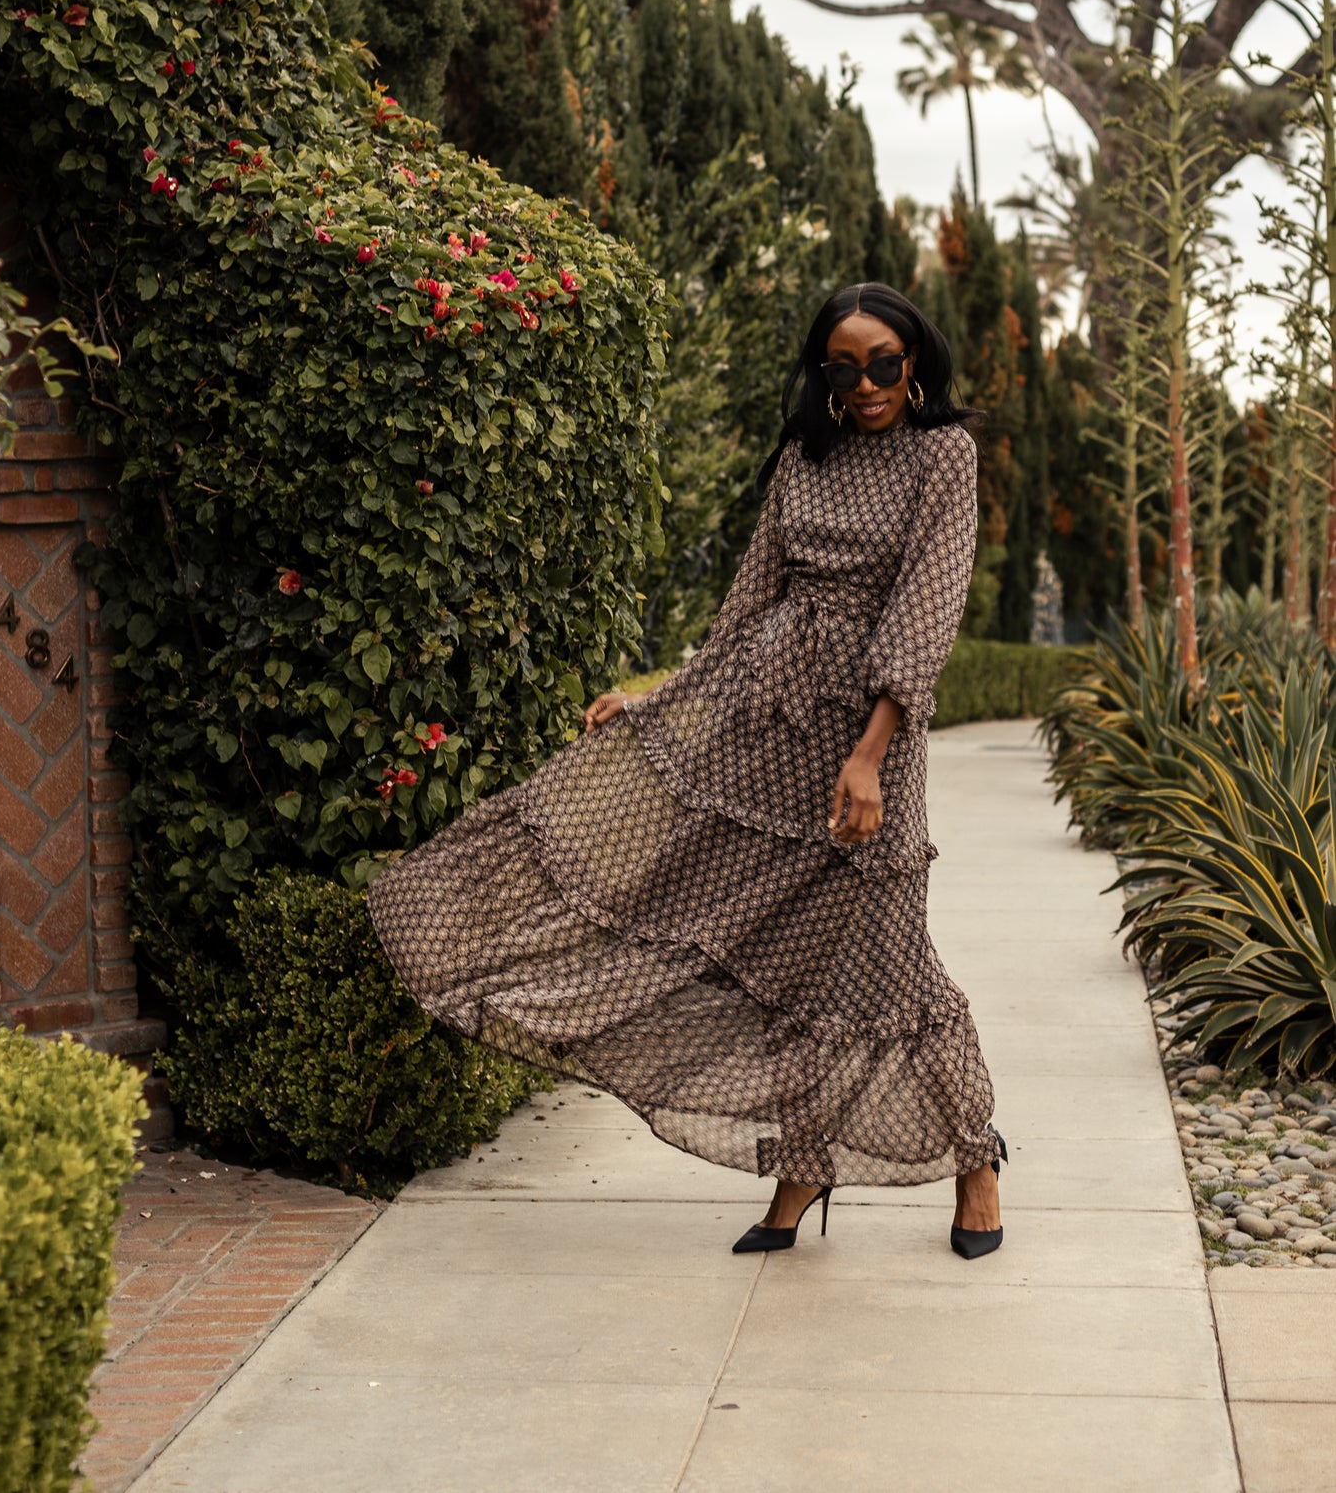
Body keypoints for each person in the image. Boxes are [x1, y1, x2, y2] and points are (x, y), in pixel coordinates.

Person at [366, 282, 1007, 1259]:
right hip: (762, 732)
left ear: (913, 360)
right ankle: (804, 1169)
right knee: (786, 964)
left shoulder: (941, 456)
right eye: (845, 365)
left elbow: (925, 611)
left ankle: (972, 1164)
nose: (868, 381)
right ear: (822, 373)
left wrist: (872, 756)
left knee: (886, 957)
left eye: (884, 361)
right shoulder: (804, 457)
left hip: (866, 745)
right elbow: (748, 602)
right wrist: (656, 696)